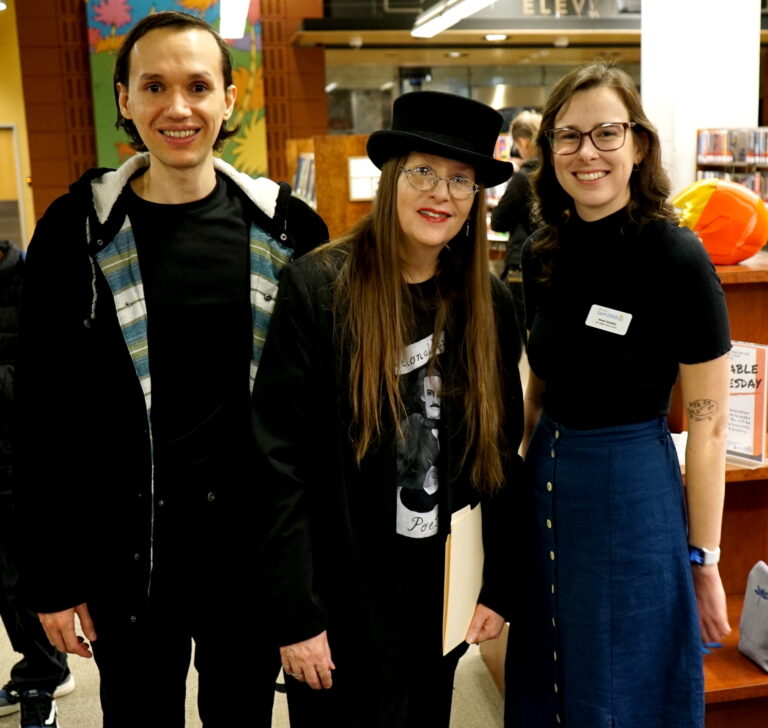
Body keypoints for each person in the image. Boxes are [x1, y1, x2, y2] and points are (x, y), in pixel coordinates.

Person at [13, 11, 327, 728]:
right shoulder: (75, 235)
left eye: (197, 86)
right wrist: (50, 578)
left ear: (229, 98)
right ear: (124, 98)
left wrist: (310, 577)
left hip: (248, 555)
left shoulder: (289, 234)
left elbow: (318, 419)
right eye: (154, 86)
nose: (177, 108)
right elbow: (39, 418)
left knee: (241, 717)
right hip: (125, 557)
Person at [252, 90, 524, 728]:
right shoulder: (321, 287)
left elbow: (499, 456)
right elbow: (276, 461)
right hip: (341, 594)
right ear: (392, 177)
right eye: (424, 171)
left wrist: (499, 587)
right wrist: (297, 616)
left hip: (440, 589)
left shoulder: (489, 305)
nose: (442, 192)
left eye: (461, 179)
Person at [504, 62, 731, 728]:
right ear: (549, 151)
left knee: (624, 674)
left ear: (638, 144)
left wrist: (705, 558)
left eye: (606, 132)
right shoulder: (543, 253)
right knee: (551, 672)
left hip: (633, 493)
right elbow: (539, 390)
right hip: (550, 483)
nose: (587, 152)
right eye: (568, 136)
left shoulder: (676, 257)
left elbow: (710, 423)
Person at [0, 240, 75, 728]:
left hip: (12, 454)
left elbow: (46, 377)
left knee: (18, 574)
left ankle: (42, 679)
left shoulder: (24, 282)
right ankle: (38, 668)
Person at [490, 110, 541, 342]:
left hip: (521, 264)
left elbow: (499, 220)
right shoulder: (556, 173)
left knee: (520, 333)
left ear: (522, 142)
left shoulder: (523, 178)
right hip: (551, 262)